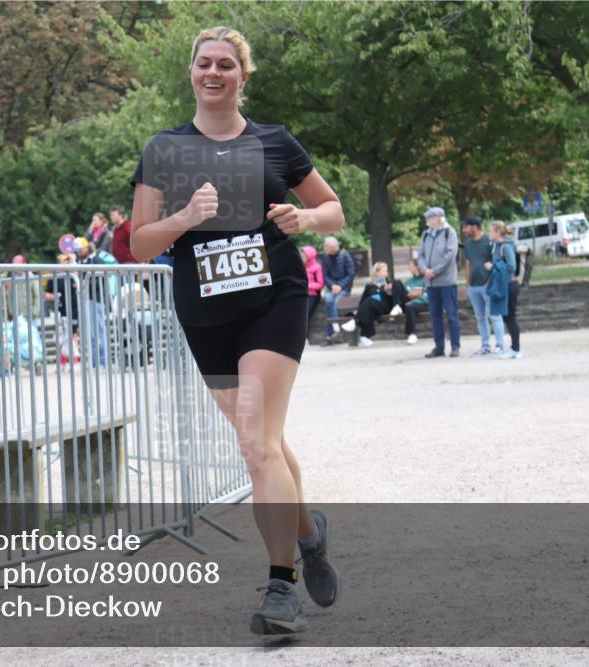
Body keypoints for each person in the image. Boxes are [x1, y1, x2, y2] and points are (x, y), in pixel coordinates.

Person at [130, 27, 343, 635]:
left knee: (255, 443)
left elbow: (333, 209)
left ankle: (282, 587)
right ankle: (309, 533)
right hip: (206, 314)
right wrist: (184, 217)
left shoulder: (275, 141)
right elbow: (140, 244)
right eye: (204, 63)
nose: (214, 72)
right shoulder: (164, 150)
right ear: (191, 72)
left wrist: (304, 216)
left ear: (243, 76)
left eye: (227, 64)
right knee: (265, 444)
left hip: (272, 300)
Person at [417, 206, 461, 358]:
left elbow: (450, 255)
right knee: (435, 315)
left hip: (446, 281)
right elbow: (420, 254)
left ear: (438, 218)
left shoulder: (450, 232)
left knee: (451, 314)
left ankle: (455, 346)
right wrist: (424, 269)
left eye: (430, 218)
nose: (427, 221)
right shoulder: (425, 235)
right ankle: (439, 347)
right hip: (431, 282)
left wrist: (435, 270)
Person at [339, 262, 407, 347]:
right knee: (370, 300)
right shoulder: (370, 286)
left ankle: (356, 323)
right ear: (377, 273)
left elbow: (398, 294)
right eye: (383, 271)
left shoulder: (390, 283)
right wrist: (358, 310)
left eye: (386, 271)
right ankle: (364, 335)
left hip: (390, 307)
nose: (385, 273)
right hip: (375, 307)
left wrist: (388, 290)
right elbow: (363, 301)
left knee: (394, 284)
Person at [73, 237, 116, 368]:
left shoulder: (96, 260)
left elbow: (99, 281)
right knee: (89, 332)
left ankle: (103, 360)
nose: (79, 253)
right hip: (86, 299)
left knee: (99, 331)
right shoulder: (81, 262)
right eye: (77, 251)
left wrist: (83, 284)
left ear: (86, 248)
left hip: (97, 300)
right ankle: (93, 360)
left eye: (80, 250)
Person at [486, 221, 520, 358]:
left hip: (510, 285)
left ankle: (516, 349)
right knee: (507, 317)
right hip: (503, 285)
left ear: (498, 232)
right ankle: (514, 348)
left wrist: (492, 267)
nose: (489, 233)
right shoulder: (495, 246)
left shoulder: (505, 247)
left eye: (491, 231)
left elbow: (512, 267)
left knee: (510, 317)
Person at [461, 216, 494, 356]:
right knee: (480, 317)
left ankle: (498, 345)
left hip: (487, 285)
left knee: (492, 315)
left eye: (465, 227)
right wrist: (467, 283)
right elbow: (467, 264)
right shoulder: (468, 244)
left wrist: (490, 281)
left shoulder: (489, 241)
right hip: (473, 286)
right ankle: (485, 346)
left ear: (474, 227)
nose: (463, 230)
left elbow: (495, 262)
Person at [43, 253, 80, 365]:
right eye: (64, 261)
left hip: (73, 309)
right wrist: (55, 296)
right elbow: (46, 294)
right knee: (60, 336)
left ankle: (74, 361)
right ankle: (62, 363)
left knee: (73, 334)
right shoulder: (54, 277)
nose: (66, 263)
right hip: (59, 310)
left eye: (67, 262)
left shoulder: (72, 276)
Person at [320, 236, 355, 343]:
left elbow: (351, 274)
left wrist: (339, 285)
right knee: (329, 300)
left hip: (344, 288)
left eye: (325, 246)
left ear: (332, 247)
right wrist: (333, 286)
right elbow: (325, 275)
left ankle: (331, 334)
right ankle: (336, 329)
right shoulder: (325, 258)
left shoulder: (345, 256)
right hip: (332, 288)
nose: (324, 248)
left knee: (335, 302)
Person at [402, 257, 429, 345]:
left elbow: (426, 296)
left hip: (424, 303)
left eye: (410, 266)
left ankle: (412, 334)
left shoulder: (425, 279)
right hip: (409, 303)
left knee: (410, 307)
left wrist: (415, 301)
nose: (409, 268)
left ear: (417, 267)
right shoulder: (409, 281)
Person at [300, 245, 323, 337]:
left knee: (306, 315)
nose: (301, 257)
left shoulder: (317, 267)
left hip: (313, 295)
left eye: (303, 256)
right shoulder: (300, 266)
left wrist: (306, 285)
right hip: (302, 294)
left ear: (309, 256)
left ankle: (305, 337)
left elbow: (320, 284)